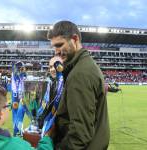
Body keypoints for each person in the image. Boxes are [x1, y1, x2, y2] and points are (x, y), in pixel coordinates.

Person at [47, 20, 110, 150]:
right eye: (54, 47)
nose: (56, 51)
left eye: (59, 45)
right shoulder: (81, 66)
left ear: (75, 39)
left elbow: (80, 134)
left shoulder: (80, 74)